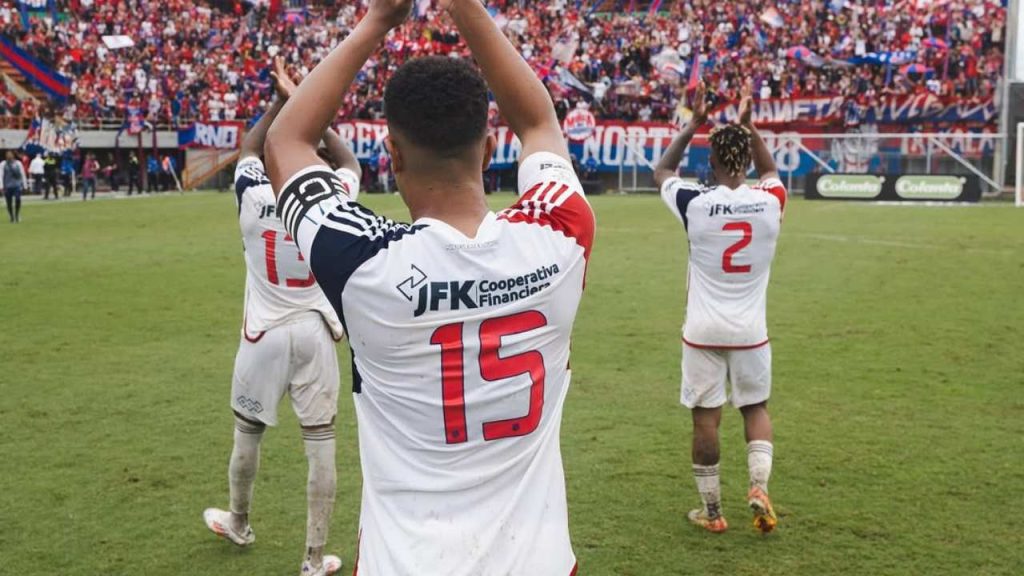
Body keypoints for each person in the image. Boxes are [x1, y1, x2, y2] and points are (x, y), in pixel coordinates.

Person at [264, 1, 595, 574]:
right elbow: (540, 123)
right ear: (491, 150)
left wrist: (378, 21)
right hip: (537, 560)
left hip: (406, 560)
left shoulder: (362, 261)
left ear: (391, 155)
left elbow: (287, 142)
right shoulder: (559, 236)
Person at [202, 57, 357, 576]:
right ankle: (314, 559)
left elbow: (248, 148)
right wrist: (310, 107)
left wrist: (283, 99)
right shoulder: (329, 198)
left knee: (246, 435)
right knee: (321, 445)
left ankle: (240, 523)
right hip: (316, 330)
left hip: (262, 332)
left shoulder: (253, 195)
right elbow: (350, 162)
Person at [653, 81, 786, 535]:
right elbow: (771, 174)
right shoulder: (771, 203)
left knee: (706, 419)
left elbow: (663, 171)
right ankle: (758, 486)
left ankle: (712, 514)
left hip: (703, 330)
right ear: (747, 161)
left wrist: (693, 123)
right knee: (756, 409)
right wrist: (750, 126)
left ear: (710, 163)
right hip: (751, 330)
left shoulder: (695, 203)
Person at [2, 150, 27, 222]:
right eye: (7, 154)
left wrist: (24, 185)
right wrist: (1, 186)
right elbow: (1, 175)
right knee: (8, 202)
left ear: (13, 155)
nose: (9, 156)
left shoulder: (18, 163)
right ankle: (11, 216)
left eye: (10, 154)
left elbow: (22, 174)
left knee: (17, 199)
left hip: (17, 185)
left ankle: (17, 214)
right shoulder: (3, 164)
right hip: (7, 186)